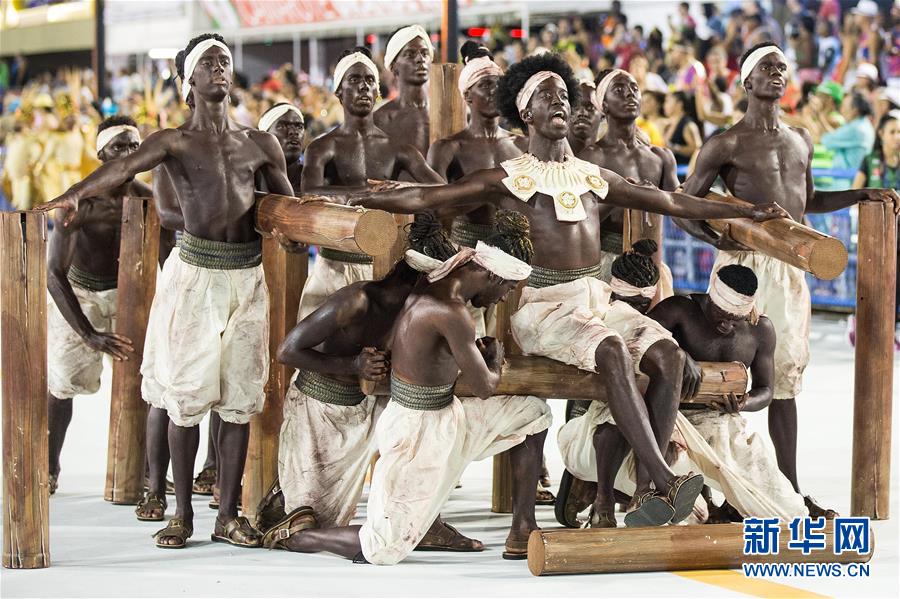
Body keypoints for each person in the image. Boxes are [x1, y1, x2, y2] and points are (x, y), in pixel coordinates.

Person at [350, 52, 788, 527]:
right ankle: (664, 478)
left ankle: (645, 488)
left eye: (564, 95)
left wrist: (744, 210)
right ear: (525, 111)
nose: (559, 101)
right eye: (546, 95)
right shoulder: (510, 177)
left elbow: (669, 200)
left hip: (594, 300)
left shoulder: (592, 176)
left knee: (669, 355)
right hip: (543, 309)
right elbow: (428, 196)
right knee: (613, 350)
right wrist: (364, 196)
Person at [41, 33, 297, 549]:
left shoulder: (260, 143)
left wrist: (313, 220)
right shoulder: (172, 141)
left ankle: (228, 516)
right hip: (195, 276)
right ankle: (181, 514)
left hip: (247, 277)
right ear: (190, 81)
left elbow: (289, 205)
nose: (220, 68)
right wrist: (73, 194)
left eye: (225, 60)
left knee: (239, 399)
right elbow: (122, 168)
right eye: (209, 62)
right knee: (185, 396)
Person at [674, 42, 899, 519]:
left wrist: (864, 193)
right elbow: (682, 205)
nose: (777, 73)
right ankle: (722, 494)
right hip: (743, 266)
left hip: (790, 269)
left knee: (783, 381)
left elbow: (807, 202)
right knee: (726, 375)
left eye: (782, 67)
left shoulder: (801, 138)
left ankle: (789, 494)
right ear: (747, 80)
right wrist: (714, 240)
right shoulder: (725, 143)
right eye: (767, 67)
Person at [261, 214, 553, 563]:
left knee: (533, 412)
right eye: (508, 289)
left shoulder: (433, 303)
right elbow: (287, 351)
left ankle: (502, 525)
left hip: (414, 413)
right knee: (349, 532)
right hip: (353, 414)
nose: (504, 298)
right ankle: (296, 534)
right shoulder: (378, 301)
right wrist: (492, 360)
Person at [275, 213, 482, 551]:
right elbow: (287, 351)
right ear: (425, 280)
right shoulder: (357, 300)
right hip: (317, 413)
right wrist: (353, 365)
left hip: (365, 410)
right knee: (311, 522)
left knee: (427, 430)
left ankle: (426, 523)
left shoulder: (420, 312)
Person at [649, 265, 808, 523]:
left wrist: (745, 403)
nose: (726, 325)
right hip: (673, 420)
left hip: (722, 423)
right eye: (721, 316)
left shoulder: (760, 329)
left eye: (735, 320)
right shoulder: (681, 310)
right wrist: (678, 354)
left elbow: (766, 391)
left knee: (787, 510)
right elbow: (640, 336)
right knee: (688, 508)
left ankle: (736, 504)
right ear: (711, 299)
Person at [553, 240, 692, 528]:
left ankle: (633, 495)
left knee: (657, 434)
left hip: (639, 450)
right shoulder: (597, 318)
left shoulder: (652, 329)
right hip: (590, 441)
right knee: (612, 420)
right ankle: (615, 495)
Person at [298, 47, 443, 321]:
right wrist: (371, 193)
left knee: (382, 346)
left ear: (377, 91)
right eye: (354, 80)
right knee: (320, 344)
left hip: (386, 268)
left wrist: (399, 190)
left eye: (369, 80)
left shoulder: (399, 149)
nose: (363, 86)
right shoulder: (322, 147)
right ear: (338, 92)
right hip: (334, 264)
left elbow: (440, 191)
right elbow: (310, 193)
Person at [46, 117, 147, 495]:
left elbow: (167, 258)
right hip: (81, 293)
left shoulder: (149, 198)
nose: (128, 154)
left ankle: (146, 472)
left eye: (134, 147)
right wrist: (88, 333)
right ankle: (49, 465)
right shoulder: (79, 204)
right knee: (63, 382)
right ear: (101, 154)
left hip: (129, 294)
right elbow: (54, 274)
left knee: (148, 383)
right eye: (119, 147)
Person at [579, 68, 680, 288]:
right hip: (606, 262)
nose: (629, 94)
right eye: (619, 90)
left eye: (634, 89)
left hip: (650, 263)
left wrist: (715, 234)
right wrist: (625, 193)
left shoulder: (661, 156)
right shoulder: (591, 157)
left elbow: (680, 209)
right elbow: (580, 220)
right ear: (604, 105)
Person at [850, 110, 900, 348]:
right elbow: (855, 192)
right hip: (873, 234)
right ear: (881, 134)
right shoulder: (870, 160)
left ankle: (890, 330)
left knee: (895, 283)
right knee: (871, 283)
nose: (897, 137)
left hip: (898, 237)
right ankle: (860, 325)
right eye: (893, 132)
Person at [374, 25, 434, 155]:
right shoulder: (380, 121)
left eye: (425, 53)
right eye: (410, 54)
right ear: (394, 66)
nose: (420, 59)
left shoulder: (448, 112)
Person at [257, 102, 305, 194]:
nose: (294, 132)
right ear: (264, 135)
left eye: (299, 127)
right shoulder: (251, 176)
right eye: (282, 126)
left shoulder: (313, 178)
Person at [663, 90, 703, 167]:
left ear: (679, 104)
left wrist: (675, 148)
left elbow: (697, 149)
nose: (664, 105)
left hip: (684, 170)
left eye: (667, 101)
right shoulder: (668, 125)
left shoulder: (689, 125)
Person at [567, 79, 604, 156]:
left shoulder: (611, 159)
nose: (582, 113)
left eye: (590, 107)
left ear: (603, 114)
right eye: (575, 106)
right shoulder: (551, 156)